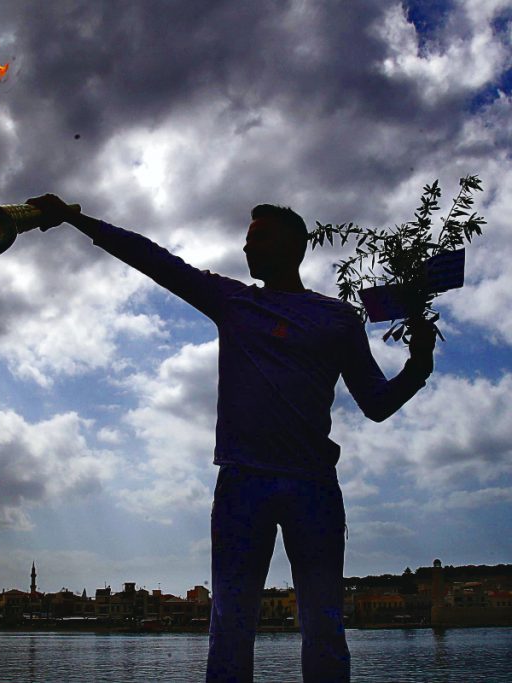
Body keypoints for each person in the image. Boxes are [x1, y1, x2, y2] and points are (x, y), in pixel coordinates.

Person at [25, 195, 435, 683]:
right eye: (246, 239)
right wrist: (76, 219)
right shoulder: (234, 301)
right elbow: (155, 259)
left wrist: (418, 367)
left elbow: (377, 404)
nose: (246, 249)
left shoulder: (338, 319)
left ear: (294, 247)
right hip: (242, 484)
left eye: (258, 238)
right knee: (230, 627)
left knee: (324, 626)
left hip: (314, 489)